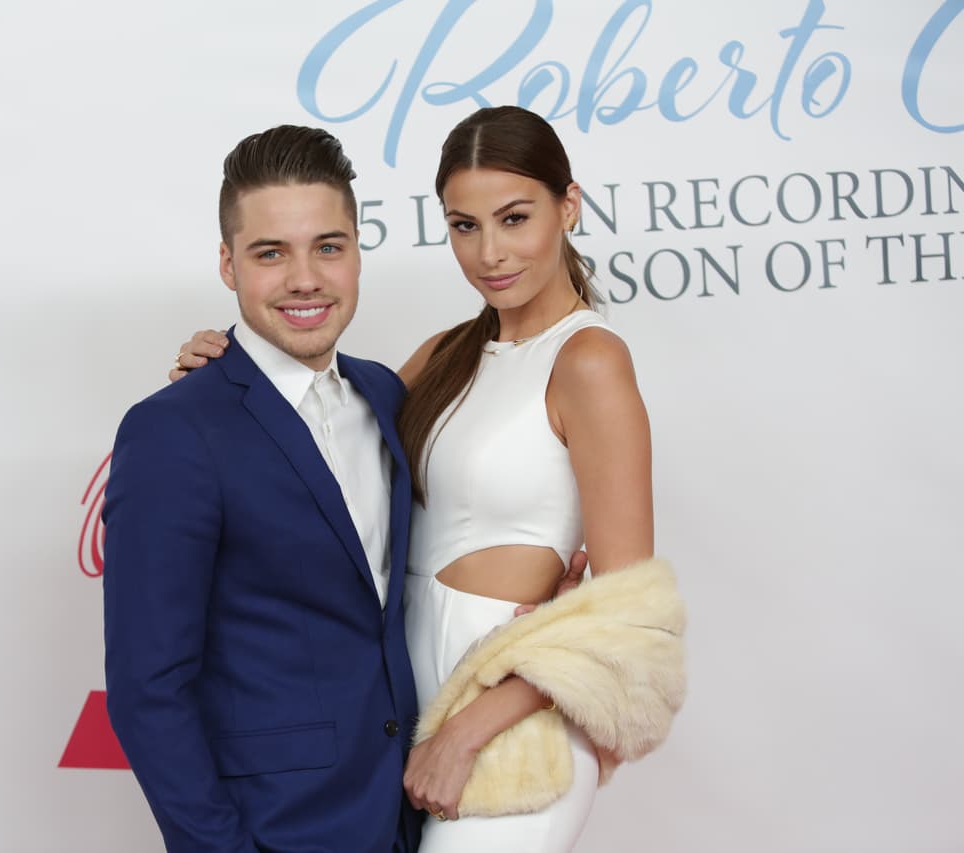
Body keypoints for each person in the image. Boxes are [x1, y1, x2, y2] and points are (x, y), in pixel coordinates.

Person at [172, 106, 686, 853]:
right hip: (402, 724)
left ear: (567, 205)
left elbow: (631, 615)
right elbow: (326, 425)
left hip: (510, 733)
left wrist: (468, 729)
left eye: (515, 217)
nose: (489, 253)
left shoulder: (590, 361)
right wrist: (225, 367)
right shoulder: (445, 355)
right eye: (463, 225)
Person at [101, 125, 421, 852]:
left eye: (328, 246)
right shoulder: (174, 430)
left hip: (413, 814)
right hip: (279, 831)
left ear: (358, 253)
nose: (305, 278)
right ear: (228, 263)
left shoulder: (388, 395)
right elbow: (148, 689)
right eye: (271, 252)